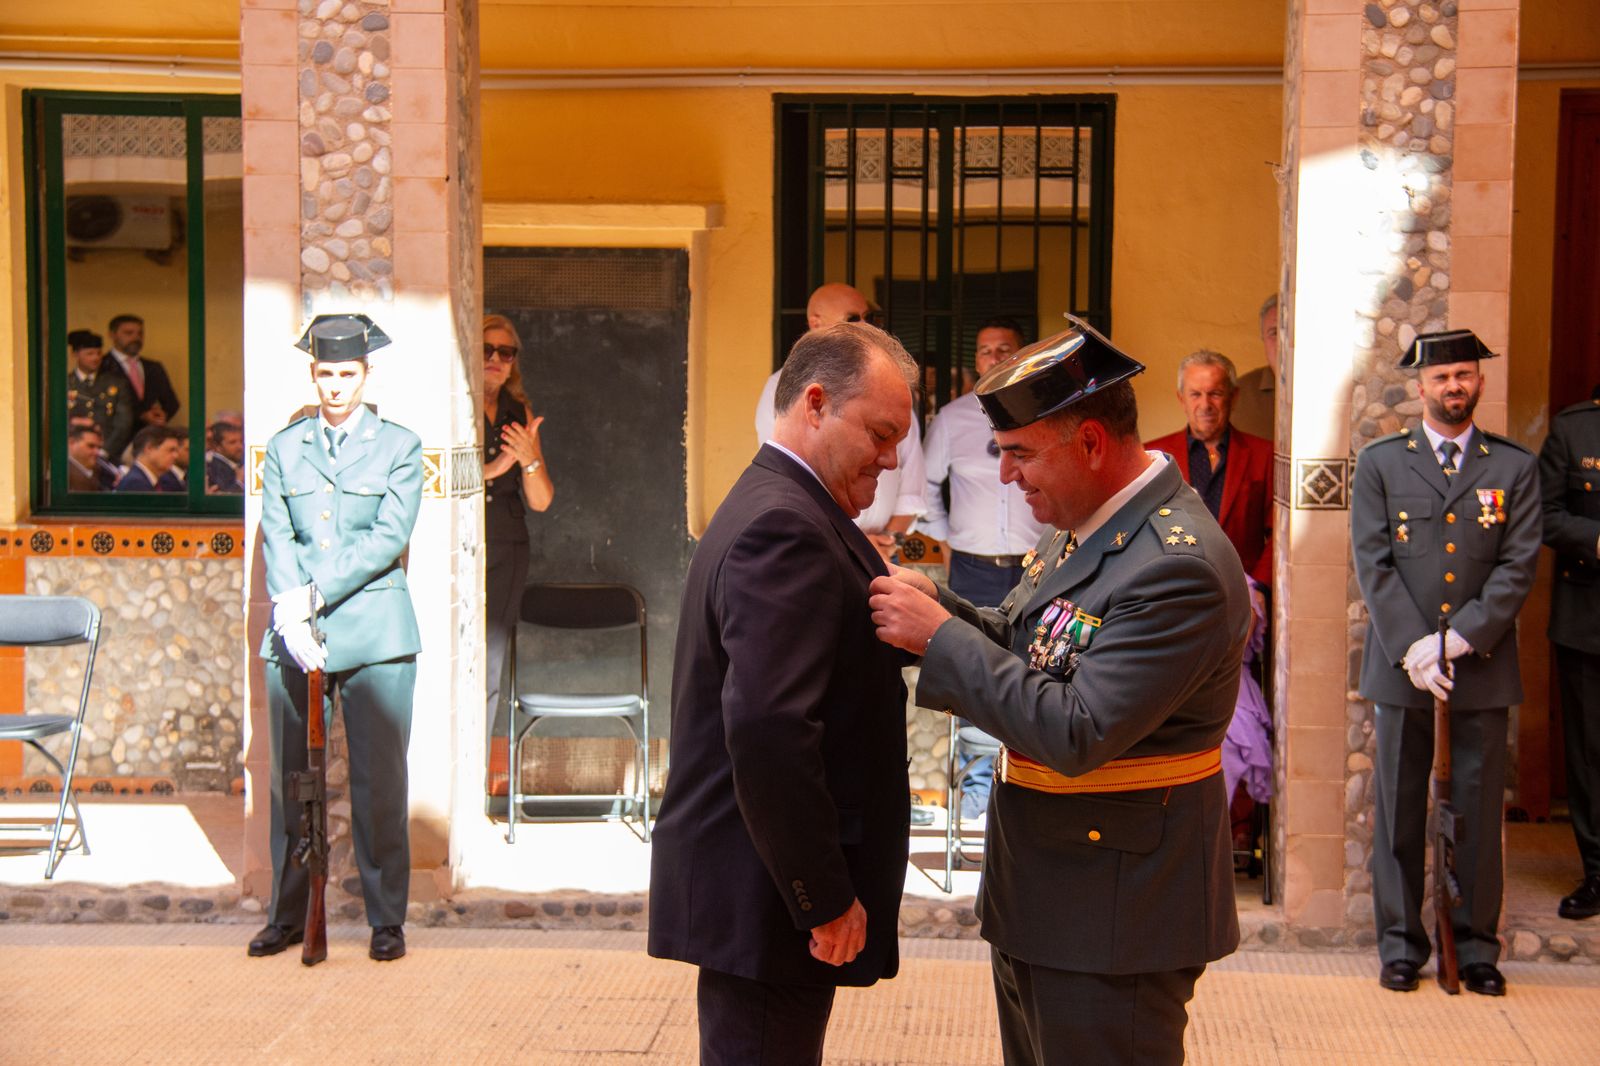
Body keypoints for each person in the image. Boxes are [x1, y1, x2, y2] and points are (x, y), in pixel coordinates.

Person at [869, 318, 1249, 1066]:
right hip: (1050, 893)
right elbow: (1029, 640)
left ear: (1091, 445)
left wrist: (937, 640)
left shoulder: (1176, 567)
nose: (1007, 477)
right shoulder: (1090, 522)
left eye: (1018, 455)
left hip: (1115, 912)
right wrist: (943, 608)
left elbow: (1077, 728)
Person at [650, 322, 917, 1066]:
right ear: (816, 402)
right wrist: (822, 894)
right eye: (880, 433)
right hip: (768, 896)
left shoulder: (786, 501)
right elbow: (769, 728)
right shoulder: (785, 524)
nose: (891, 458)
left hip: (762, 890)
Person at [1351, 328, 1540, 996]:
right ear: (1420, 386)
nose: (1453, 386)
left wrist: (1458, 639)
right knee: (1401, 809)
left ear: (1479, 382)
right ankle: (1402, 945)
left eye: (1464, 375)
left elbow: (1519, 566)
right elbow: (1372, 563)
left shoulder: (1513, 467)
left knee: (1478, 813)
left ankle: (1477, 947)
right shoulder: (1380, 463)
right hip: (1403, 671)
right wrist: (1414, 647)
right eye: (1441, 377)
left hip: (1480, 669)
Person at [250, 313, 423, 964]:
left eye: (348, 374)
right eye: (326, 374)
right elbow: (279, 532)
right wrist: (291, 613)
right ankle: (288, 914)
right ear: (313, 374)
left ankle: (386, 920)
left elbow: (387, 537)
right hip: (298, 634)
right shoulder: (284, 447)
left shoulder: (399, 445)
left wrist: (311, 595)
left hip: (376, 633)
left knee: (381, 785)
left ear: (366, 375)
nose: (336, 387)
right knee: (292, 781)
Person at [919, 316, 1046, 820]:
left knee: (1034, 669)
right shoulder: (952, 419)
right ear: (976, 361)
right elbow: (926, 487)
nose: (994, 358)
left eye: (1004, 349)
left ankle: (1029, 779)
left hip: (1035, 566)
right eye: (985, 350)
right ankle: (977, 788)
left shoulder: (1039, 413)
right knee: (975, 669)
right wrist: (948, 541)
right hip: (971, 567)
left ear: (1021, 356)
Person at [756, 283, 924, 560]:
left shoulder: (892, 386)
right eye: (852, 318)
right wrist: (853, 545)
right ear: (815, 322)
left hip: (886, 552)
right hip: (821, 549)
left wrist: (887, 543)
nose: (864, 325)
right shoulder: (780, 388)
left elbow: (912, 482)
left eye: (868, 317)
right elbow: (792, 477)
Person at [480, 313, 554, 776]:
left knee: (491, 661)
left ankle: (476, 775)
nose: (495, 359)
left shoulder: (519, 413)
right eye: (487, 349)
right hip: (462, 544)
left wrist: (527, 462)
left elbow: (542, 500)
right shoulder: (455, 400)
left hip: (507, 543)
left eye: (505, 352)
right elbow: (440, 479)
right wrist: (496, 466)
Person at [1539, 386, 1600, 920]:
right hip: (1589, 621)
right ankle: (1598, 874)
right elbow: (1544, 514)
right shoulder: (1575, 428)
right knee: (1589, 753)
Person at [1145, 349, 1273, 589]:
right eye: (1195, 394)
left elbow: (1280, 533)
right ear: (1181, 399)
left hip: (1243, 595)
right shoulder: (1153, 456)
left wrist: (1258, 587)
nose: (1205, 405)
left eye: (1215, 394)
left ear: (1234, 397)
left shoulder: (1264, 455)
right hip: (1170, 591)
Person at [66, 329, 134, 461]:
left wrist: (104, 451)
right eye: (89, 354)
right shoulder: (66, 384)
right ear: (75, 354)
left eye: (98, 353)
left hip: (109, 453)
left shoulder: (116, 383)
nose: (95, 358)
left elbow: (124, 423)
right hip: (74, 455)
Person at [106, 313, 181, 429]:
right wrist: (141, 416)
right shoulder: (102, 366)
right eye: (129, 333)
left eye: (140, 333)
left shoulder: (154, 367)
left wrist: (161, 416)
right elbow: (101, 407)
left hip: (148, 438)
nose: (136, 338)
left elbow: (172, 403)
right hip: (113, 439)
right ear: (112, 335)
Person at [1231, 294, 1278, 440]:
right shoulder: (1237, 397)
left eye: (1294, 331)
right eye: (1274, 333)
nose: (1284, 342)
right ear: (1262, 338)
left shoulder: (1336, 391)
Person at [114, 425, 185, 492]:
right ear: (149, 448)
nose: (176, 456)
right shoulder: (136, 483)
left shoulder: (150, 481)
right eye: (171, 450)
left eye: (176, 451)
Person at [66, 423, 117, 492]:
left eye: (99, 448)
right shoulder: (63, 475)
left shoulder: (100, 470)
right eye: (91, 446)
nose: (97, 452)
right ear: (71, 443)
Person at [205, 420, 246, 494]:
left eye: (241, 441)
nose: (240, 447)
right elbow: (224, 498)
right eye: (232, 442)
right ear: (217, 446)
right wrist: (239, 482)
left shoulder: (237, 466)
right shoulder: (214, 468)